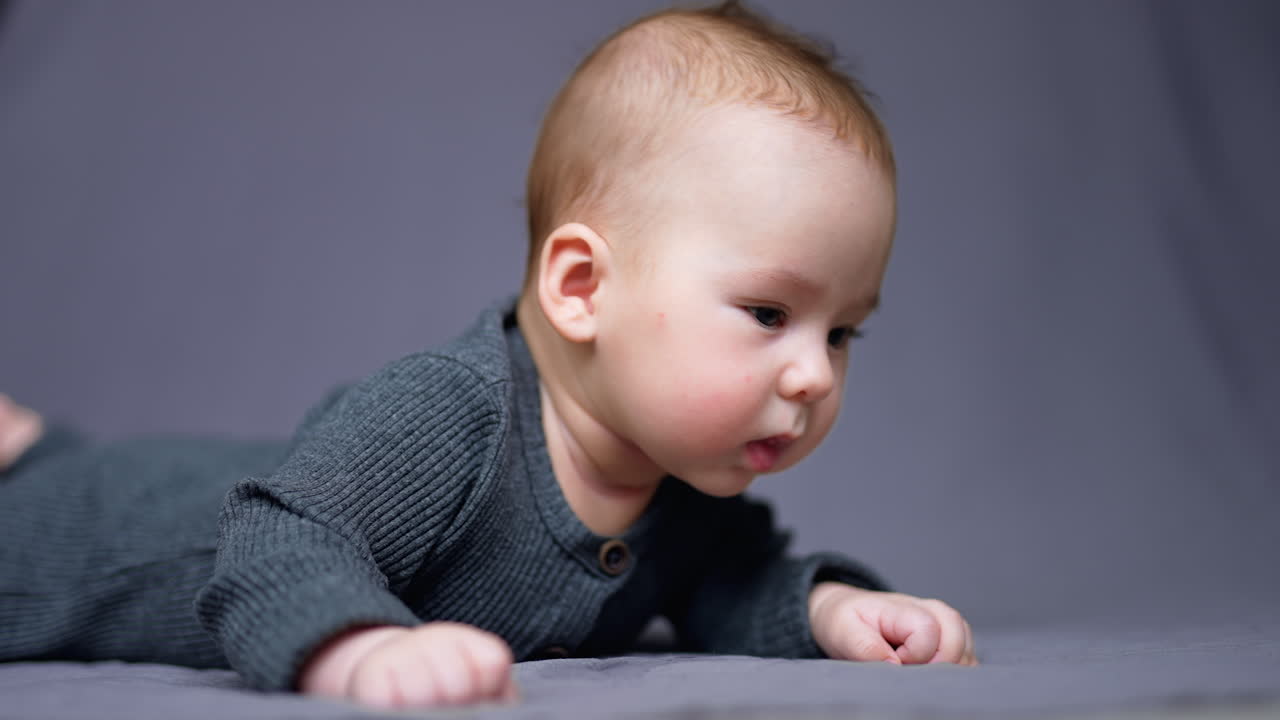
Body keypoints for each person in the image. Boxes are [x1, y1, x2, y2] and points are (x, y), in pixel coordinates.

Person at [0, 0, 978, 710]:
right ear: (582, 288)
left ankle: (36, 446)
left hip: (170, 480)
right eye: (768, 313)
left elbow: (729, 586)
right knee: (64, 506)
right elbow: (275, 535)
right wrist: (358, 647)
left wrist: (832, 611)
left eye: (841, 332)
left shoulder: (679, 487)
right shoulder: (451, 415)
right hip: (74, 548)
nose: (814, 375)